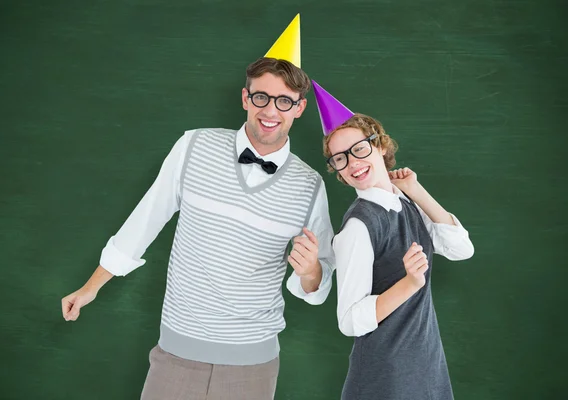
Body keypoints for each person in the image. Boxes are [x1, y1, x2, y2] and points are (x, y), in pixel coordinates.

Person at [61, 16, 335, 400]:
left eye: (284, 101)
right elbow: (145, 221)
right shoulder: (194, 146)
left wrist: (311, 271)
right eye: (261, 97)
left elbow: (318, 284)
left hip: (253, 363)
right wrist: (91, 288)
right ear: (245, 98)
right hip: (177, 350)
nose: (270, 110)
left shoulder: (310, 186)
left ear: (299, 108)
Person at [312, 80, 474, 400]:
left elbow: (460, 248)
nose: (353, 163)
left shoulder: (405, 202)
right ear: (338, 172)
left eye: (359, 149)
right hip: (385, 379)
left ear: (381, 146)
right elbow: (349, 320)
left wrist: (416, 191)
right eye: (341, 159)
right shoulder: (359, 226)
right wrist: (409, 285)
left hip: (424, 366)